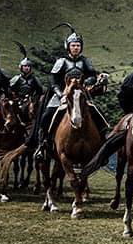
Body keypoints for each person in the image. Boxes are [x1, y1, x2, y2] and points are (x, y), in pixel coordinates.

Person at [32, 26, 109, 160]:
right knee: (46, 116)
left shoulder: (85, 61)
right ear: (68, 47)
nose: (76, 48)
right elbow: (53, 81)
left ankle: (103, 142)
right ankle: (42, 145)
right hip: (61, 94)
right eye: (73, 45)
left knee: (99, 113)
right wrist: (60, 94)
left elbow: (92, 76)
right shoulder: (61, 61)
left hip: (80, 94)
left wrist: (88, 81)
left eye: (78, 45)